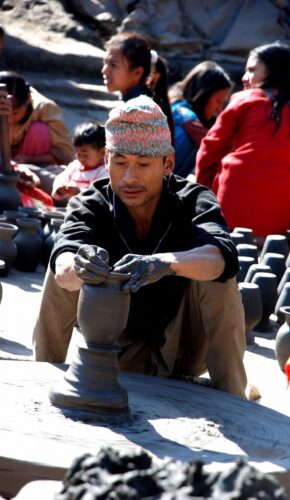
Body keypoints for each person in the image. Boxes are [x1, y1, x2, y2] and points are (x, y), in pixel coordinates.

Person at [33, 95, 247, 398]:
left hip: (183, 348)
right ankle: (42, 378)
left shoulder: (193, 200)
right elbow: (65, 261)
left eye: (143, 164)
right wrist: (78, 266)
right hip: (118, 349)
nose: (130, 177)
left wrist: (164, 263)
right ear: (106, 159)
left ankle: (234, 399)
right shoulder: (90, 204)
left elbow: (221, 257)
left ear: (168, 163)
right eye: (120, 163)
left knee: (219, 278)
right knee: (61, 268)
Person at [195, 43, 290, 238]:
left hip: (231, 206)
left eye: (251, 70)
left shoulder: (243, 100)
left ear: (272, 71)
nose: (244, 77)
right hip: (278, 217)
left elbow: (210, 148)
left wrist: (202, 192)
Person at [101, 31, 174, 142]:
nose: (104, 70)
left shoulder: (138, 113)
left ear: (137, 73)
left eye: (113, 65)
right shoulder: (137, 104)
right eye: (105, 62)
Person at [170, 61, 232, 178]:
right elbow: (195, 128)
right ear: (203, 94)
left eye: (222, 103)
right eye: (218, 101)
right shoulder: (179, 110)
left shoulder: (200, 121)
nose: (219, 110)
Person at [0, 71, 73, 166]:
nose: (9, 120)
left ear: (27, 101)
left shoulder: (45, 108)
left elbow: (65, 154)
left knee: (39, 131)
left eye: (15, 113)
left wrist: (29, 159)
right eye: (6, 116)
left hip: (31, 162)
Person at [52, 121, 107, 203]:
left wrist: (80, 192)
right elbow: (62, 177)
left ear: (102, 152)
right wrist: (60, 188)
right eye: (78, 153)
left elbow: (99, 195)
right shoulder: (75, 166)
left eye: (85, 155)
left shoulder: (103, 171)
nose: (80, 158)